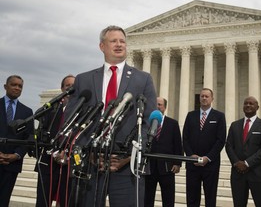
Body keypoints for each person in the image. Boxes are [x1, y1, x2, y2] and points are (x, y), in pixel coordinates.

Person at [64, 25, 157, 207]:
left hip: (127, 169)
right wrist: (87, 152)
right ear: (102, 46)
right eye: (113, 41)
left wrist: (131, 155)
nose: (119, 44)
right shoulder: (84, 79)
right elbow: (72, 119)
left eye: (122, 41)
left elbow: (149, 120)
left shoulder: (143, 79)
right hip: (90, 165)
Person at [225, 96, 261, 207]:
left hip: (257, 173)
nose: (248, 105)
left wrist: (246, 163)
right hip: (237, 174)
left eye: (251, 104)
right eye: (246, 103)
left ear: (257, 107)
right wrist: (237, 163)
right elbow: (229, 146)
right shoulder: (234, 125)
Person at [35, 75, 75, 207]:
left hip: (69, 167)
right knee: (42, 201)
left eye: (74, 84)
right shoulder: (51, 110)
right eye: (67, 85)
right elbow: (41, 134)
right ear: (62, 88)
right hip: (48, 164)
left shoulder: (83, 112)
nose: (71, 87)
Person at [182, 88, 226, 207]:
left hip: (210, 164)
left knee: (210, 197)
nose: (204, 98)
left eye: (207, 96)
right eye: (202, 96)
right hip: (192, 164)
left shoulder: (219, 116)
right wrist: (191, 156)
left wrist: (208, 157)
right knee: (192, 197)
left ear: (212, 98)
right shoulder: (191, 115)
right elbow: (185, 138)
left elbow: (221, 140)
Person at [0, 75, 34, 206]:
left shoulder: (27, 112)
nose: (17, 88)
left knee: (4, 200)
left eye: (20, 86)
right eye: (13, 84)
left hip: (12, 164)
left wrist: (16, 155)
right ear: (5, 86)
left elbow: (30, 137)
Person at [144, 97, 183, 207]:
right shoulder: (146, 123)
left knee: (168, 198)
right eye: (156, 104)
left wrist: (177, 163)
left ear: (165, 107)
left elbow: (178, 144)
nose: (157, 107)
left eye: (160, 105)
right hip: (150, 167)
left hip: (167, 167)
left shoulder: (173, 123)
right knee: (147, 198)